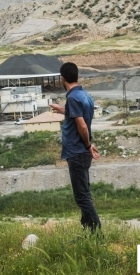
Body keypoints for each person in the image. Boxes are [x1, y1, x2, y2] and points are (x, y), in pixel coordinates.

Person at [49, 62, 101, 232]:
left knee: (82, 197)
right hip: (82, 152)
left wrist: (88, 145)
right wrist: (63, 110)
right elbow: (79, 113)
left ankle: (96, 233)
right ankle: (87, 231)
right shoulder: (85, 95)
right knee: (84, 194)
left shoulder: (72, 97)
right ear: (77, 76)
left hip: (78, 152)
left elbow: (82, 126)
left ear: (62, 79)